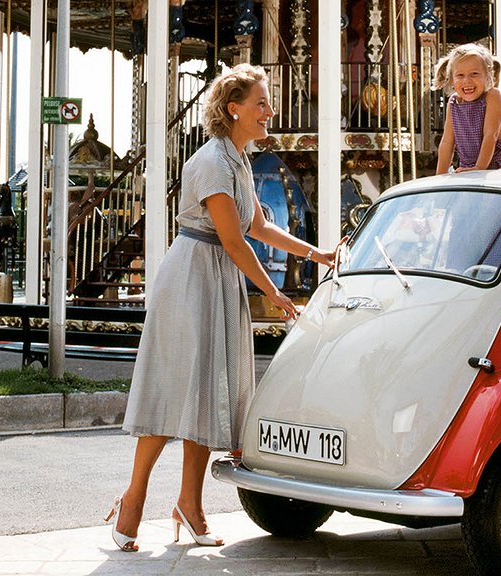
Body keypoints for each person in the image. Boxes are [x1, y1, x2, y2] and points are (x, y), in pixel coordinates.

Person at [106, 64, 335, 552]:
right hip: (193, 275)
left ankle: (190, 505)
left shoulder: (239, 158)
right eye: (262, 103)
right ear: (234, 108)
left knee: (208, 392)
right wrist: (273, 292)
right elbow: (233, 241)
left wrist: (316, 254)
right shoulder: (212, 161)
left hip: (216, 275)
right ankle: (133, 498)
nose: (269, 111)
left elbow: (258, 227)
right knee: (173, 387)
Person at [434, 43, 501, 174]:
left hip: (494, 169)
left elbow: (491, 135)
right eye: (460, 75)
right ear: (451, 79)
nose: (467, 81)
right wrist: (440, 175)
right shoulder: (454, 102)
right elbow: (447, 142)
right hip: (467, 170)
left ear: (488, 75)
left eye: (474, 74)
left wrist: (479, 168)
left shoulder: (492, 96)